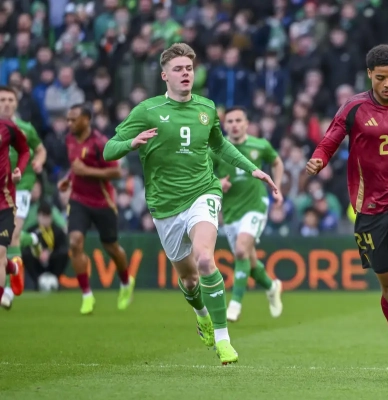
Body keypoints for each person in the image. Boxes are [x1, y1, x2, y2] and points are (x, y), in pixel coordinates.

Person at [103, 43, 278, 365]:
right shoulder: (147, 110)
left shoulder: (207, 108)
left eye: (189, 68)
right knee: (189, 279)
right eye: (178, 69)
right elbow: (108, 150)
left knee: (205, 259)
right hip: (164, 204)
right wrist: (131, 142)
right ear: (164, 76)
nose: (185, 74)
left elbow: (220, 146)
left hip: (203, 191)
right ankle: (202, 315)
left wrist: (252, 168)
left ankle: (224, 339)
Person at [306, 44, 388, 379]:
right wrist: (319, 159)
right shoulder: (354, 108)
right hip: (369, 212)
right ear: (369, 75)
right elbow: (331, 139)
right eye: (381, 78)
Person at [57, 104, 133, 315]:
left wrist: (86, 171)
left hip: (102, 202)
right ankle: (87, 295)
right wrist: (68, 179)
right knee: (75, 242)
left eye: (73, 119)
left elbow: (117, 173)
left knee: (112, 248)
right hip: (78, 200)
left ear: (86, 120)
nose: (69, 123)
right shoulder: (69, 139)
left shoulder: (100, 143)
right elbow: (76, 167)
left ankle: (126, 282)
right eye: (68, 119)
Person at [211, 106, 284, 323]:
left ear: (246, 124)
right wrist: (217, 182)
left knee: (241, 251)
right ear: (224, 125)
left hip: (256, 205)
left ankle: (234, 305)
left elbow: (277, 162)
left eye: (238, 120)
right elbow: (203, 173)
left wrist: (277, 188)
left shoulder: (260, 145)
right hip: (231, 212)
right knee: (249, 262)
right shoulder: (216, 149)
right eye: (230, 121)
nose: (234, 125)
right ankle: (272, 286)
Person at [0, 86, 46, 306]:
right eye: (2, 100)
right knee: (9, 239)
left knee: (13, 235)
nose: (7, 104)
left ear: (16, 103)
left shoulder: (26, 128)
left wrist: (38, 162)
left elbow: (40, 149)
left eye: (10, 100)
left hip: (21, 187)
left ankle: (8, 291)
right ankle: (33, 240)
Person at [0, 117, 30, 309]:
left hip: (4, 202)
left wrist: (19, 169)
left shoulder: (7, 127)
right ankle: (12, 266)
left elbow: (25, 150)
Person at [22, 201, 69, 290]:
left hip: (53, 260)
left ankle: (55, 280)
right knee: (26, 255)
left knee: (64, 254)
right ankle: (37, 282)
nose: (45, 220)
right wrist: (38, 253)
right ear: (38, 216)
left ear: (51, 217)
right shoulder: (32, 230)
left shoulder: (57, 231)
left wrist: (50, 254)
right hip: (37, 260)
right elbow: (26, 248)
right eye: (43, 216)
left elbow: (63, 248)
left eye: (47, 216)